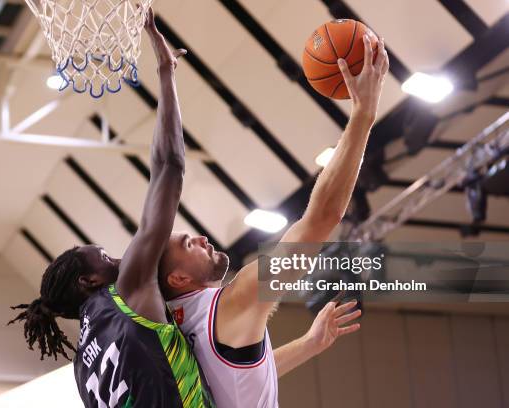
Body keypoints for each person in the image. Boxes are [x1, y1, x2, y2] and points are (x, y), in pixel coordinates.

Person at [161, 34, 390, 407]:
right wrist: (363, 115)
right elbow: (321, 220)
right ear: (179, 279)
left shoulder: (177, 326)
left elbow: (236, 381)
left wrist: (309, 345)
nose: (203, 238)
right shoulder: (233, 301)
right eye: (188, 244)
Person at [8, 10, 215, 408]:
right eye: (103, 257)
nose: (119, 256)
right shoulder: (125, 291)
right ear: (88, 281)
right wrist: (166, 73)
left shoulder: (82, 370)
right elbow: (169, 168)